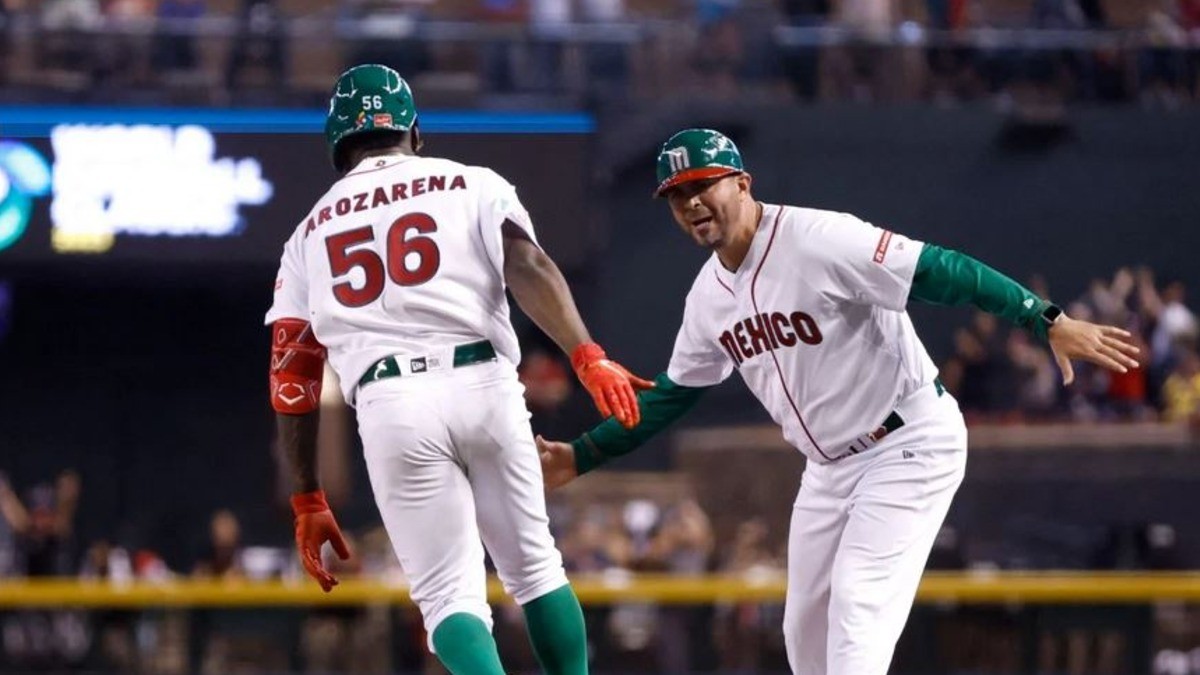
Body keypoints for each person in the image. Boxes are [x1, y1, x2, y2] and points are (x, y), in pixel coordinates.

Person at [537, 128, 1141, 675]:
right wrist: (581, 454)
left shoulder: (819, 238)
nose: (691, 203)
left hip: (906, 440)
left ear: (742, 184)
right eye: (676, 195)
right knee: (806, 638)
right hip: (827, 471)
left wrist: (1043, 317)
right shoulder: (707, 299)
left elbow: (937, 269)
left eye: (702, 185)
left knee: (858, 607)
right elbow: (673, 396)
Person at [264, 63, 650, 675]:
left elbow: (293, 373)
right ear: (414, 131)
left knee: (450, 598)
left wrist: (307, 494)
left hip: (392, 403)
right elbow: (531, 267)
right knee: (537, 568)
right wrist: (587, 354)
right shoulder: (469, 182)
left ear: (337, 142)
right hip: (483, 380)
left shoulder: (308, 232)